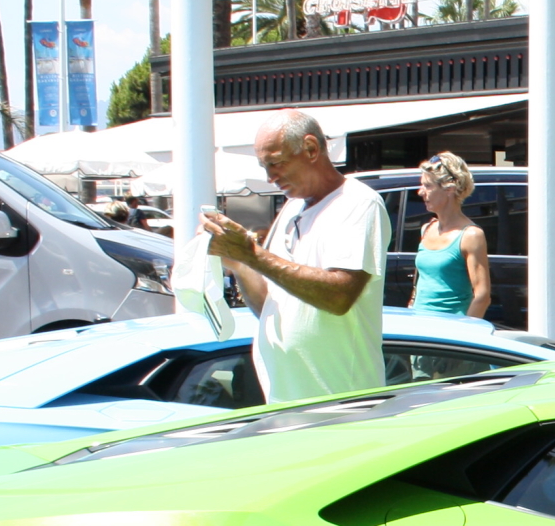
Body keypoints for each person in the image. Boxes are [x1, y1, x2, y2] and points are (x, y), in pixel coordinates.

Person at [200, 111, 390, 402]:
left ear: (311, 149)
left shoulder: (359, 203)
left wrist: (252, 255)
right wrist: (238, 263)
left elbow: (339, 296)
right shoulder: (292, 207)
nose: (269, 177)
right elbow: (269, 303)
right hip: (288, 402)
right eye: (264, 166)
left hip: (341, 406)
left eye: (275, 163)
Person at [407, 151, 491, 318]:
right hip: (418, 326)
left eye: (428, 186)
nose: (420, 192)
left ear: (449, 189)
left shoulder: (471, 235)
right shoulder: (427, 228)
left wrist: (465, 333)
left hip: (449, 331)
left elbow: (482, 296)